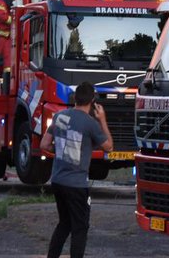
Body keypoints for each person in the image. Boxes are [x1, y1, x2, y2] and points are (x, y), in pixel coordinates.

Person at [39, 81, 112, 258]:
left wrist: (60, 150)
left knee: (64, 223)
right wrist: (102, 119)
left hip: (57, 180)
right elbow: (108, 147)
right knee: (80, 227)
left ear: (75, 98)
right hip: (77, 184)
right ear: (92, 101)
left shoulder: (59, 117)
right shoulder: (90, 123)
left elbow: (44, 144)